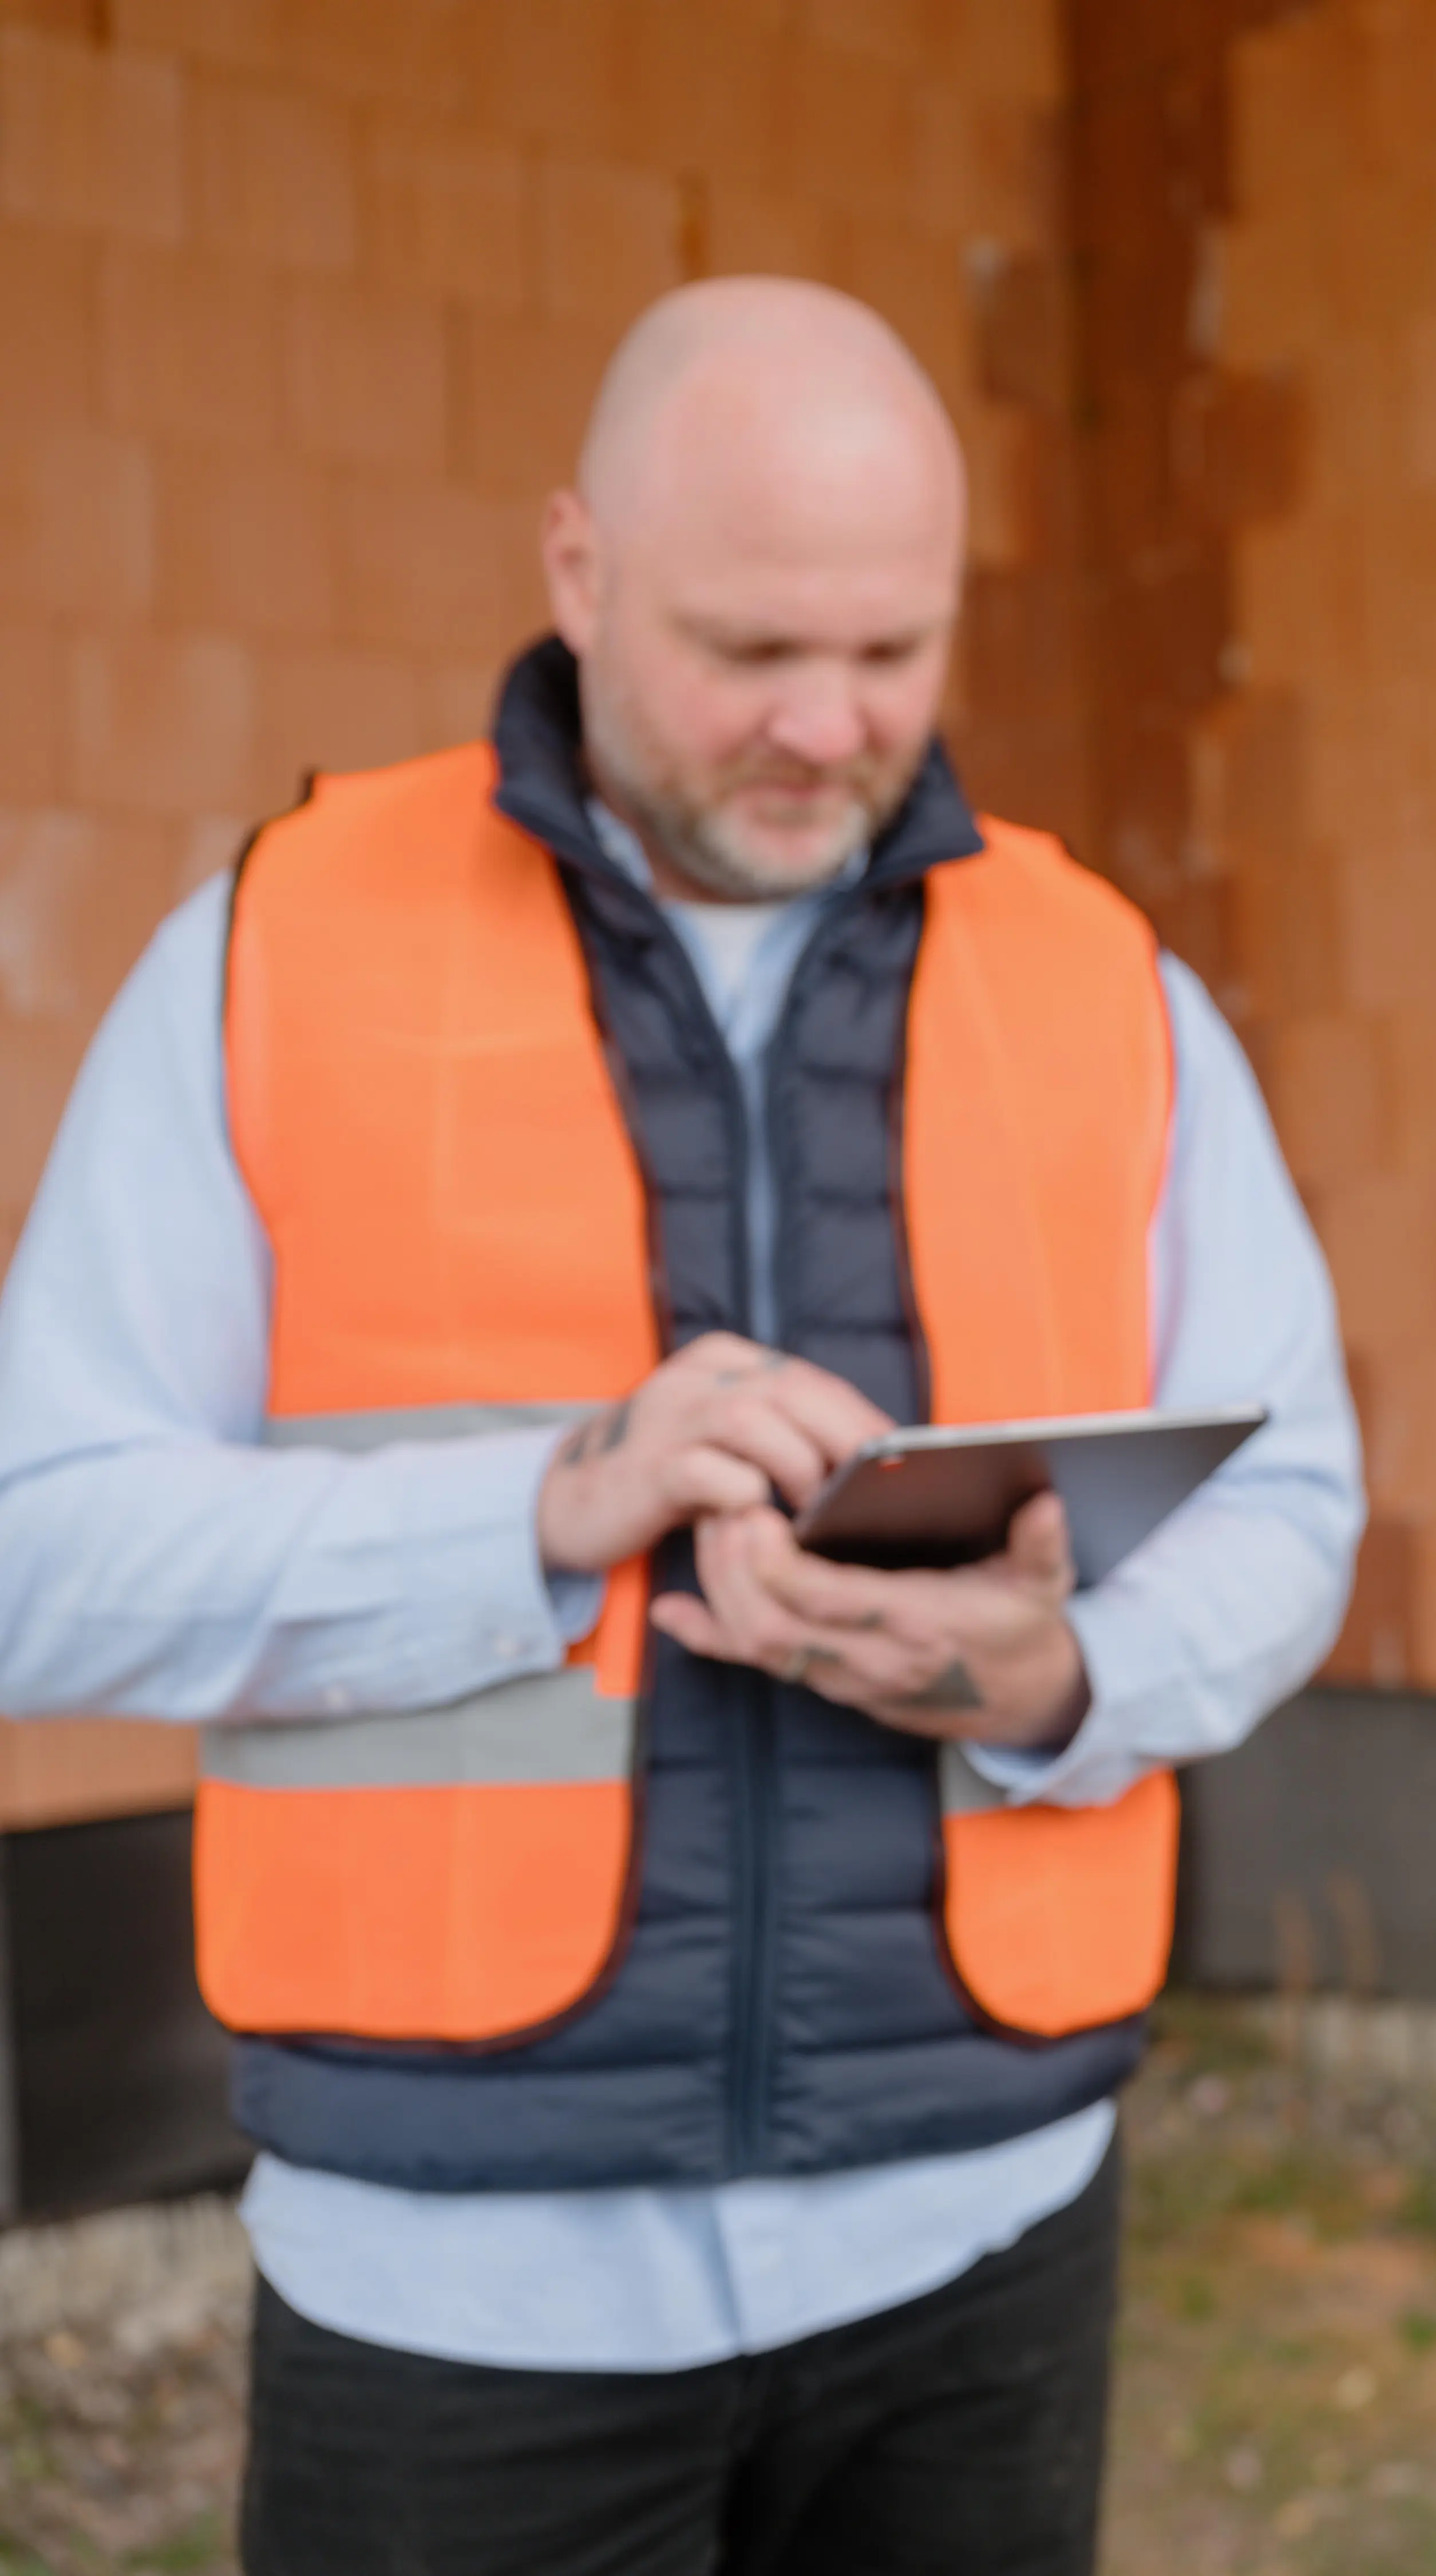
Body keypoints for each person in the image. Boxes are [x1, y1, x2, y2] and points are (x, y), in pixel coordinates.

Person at [0, 278, 1361, 2574]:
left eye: (895, 651)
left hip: (986, 2246)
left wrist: (1062, 1675)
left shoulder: (1108, 980)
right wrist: (545, 1512)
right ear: (577, 571)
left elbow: (1295, 1497)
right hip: (458, 2289)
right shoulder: (275, 943)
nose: (830, 728)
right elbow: (36, 1554)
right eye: (748, 650)